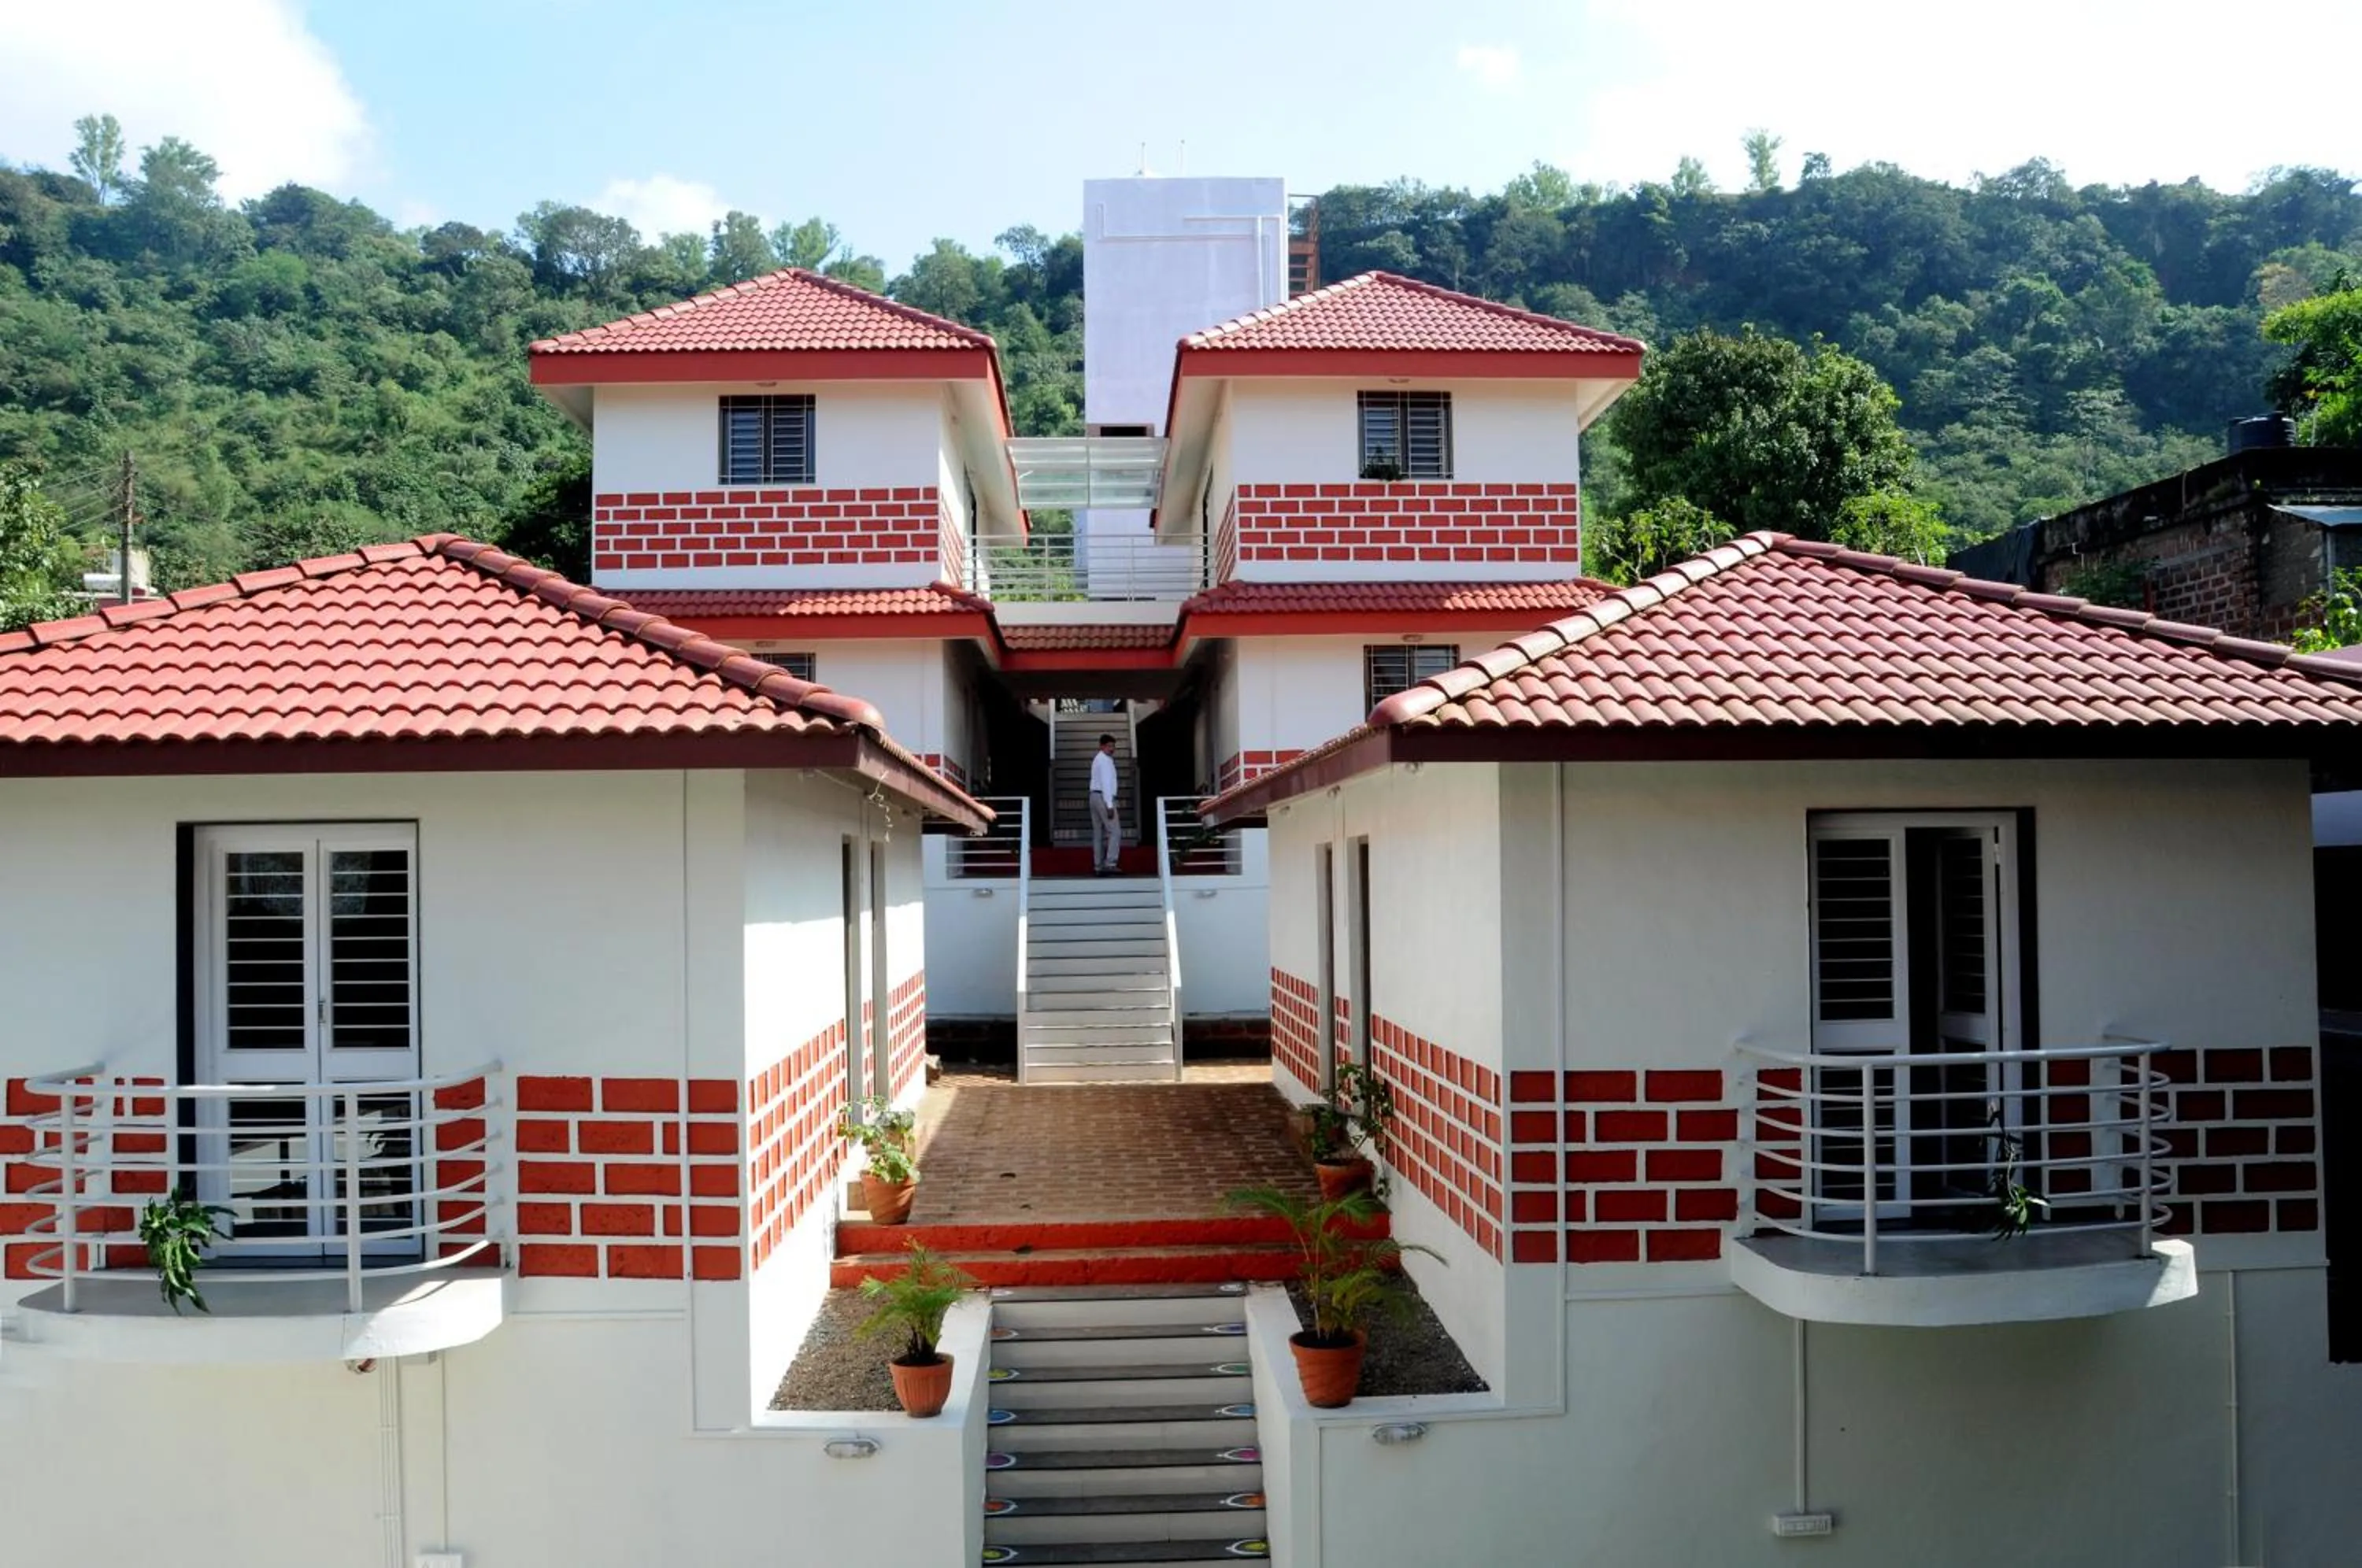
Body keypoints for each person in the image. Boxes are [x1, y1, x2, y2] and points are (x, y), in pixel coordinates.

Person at [1089, 734, 1121, 875]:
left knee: (1098, 833)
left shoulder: (1098, 759)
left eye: (1113, 746)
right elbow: (1106, 783)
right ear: (1102, 746)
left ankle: (1098, 866)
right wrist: (1109, 805)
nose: (1112, 749)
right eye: (1109, 746)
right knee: (1115, 831)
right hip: (1103, 797)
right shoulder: (1105, 761)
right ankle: (1110, 864)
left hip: (1094, 796)